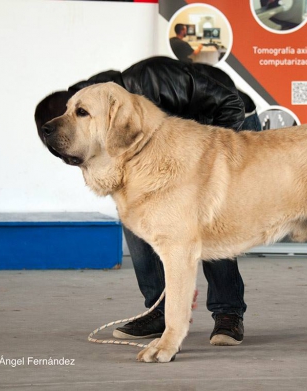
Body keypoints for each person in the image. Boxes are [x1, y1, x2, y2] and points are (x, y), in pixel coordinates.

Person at [35, 56, 261, 346]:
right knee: (135, 211)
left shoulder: (152, 78)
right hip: (178, 144)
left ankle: (227, 313)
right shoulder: (100, 108)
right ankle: (159, 309)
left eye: (78, 114)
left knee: (206, 223)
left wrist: (218, 157)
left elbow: (230, 102)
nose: (72, 120)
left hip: (232, 125)